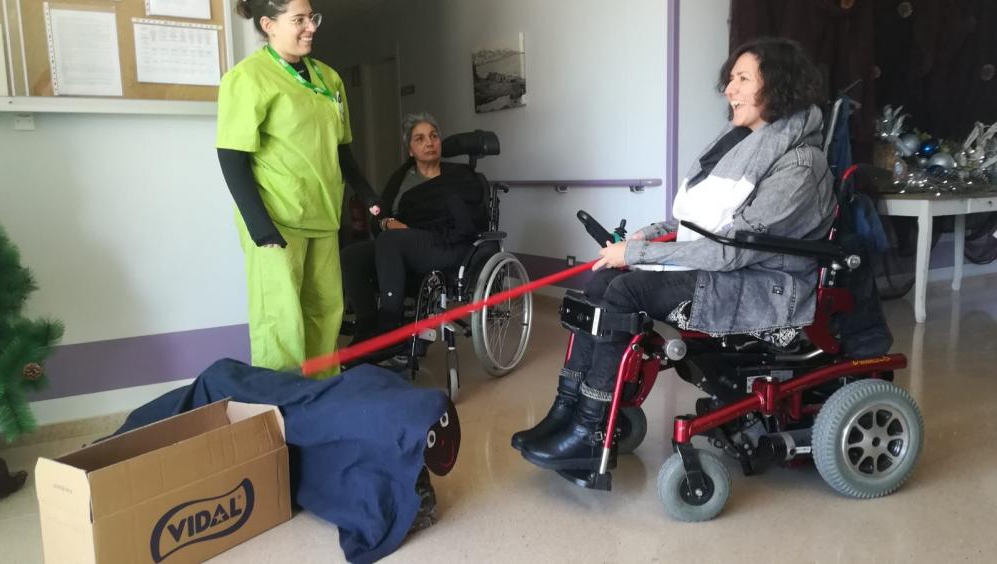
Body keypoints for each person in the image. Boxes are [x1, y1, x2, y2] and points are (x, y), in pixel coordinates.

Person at [515, 37, 835, 470]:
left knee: (624, 291)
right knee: (602, 279)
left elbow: (733, 249)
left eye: (742, 79)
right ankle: (568, 408)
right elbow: (697, 223)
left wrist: (638, 252)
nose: (729, 89)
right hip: (726, 269)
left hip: (763, 285)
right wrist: (647, 236)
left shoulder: (799, 164)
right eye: (731, 79)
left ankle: (590, 428)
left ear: (778, 85)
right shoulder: (741, 144)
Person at [216, 0, 380, 377]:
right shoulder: (248, 78)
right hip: (277, 219)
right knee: (280, 320)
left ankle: (321, 394)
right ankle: (283, 403)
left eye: (312, 17)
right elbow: (232, 156)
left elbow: (341, 147)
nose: (312, 27)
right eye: (299, 20)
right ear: (269, 25)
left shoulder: (329, 78)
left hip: (322, 214)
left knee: (325, 312)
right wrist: (259, 225)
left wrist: (365, 191)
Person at [340, 113, 488, 346]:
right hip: (403, 244)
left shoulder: (460, 176)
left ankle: (389, 326)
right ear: (410, 150)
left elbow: (470, 220)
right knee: (351, 256)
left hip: (444, 244)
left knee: (390, 240)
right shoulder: (401, 178)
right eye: (420, 139)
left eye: (434, 136)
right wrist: (386, 223)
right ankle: (367, 327)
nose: (429, 143)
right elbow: (378, 215)